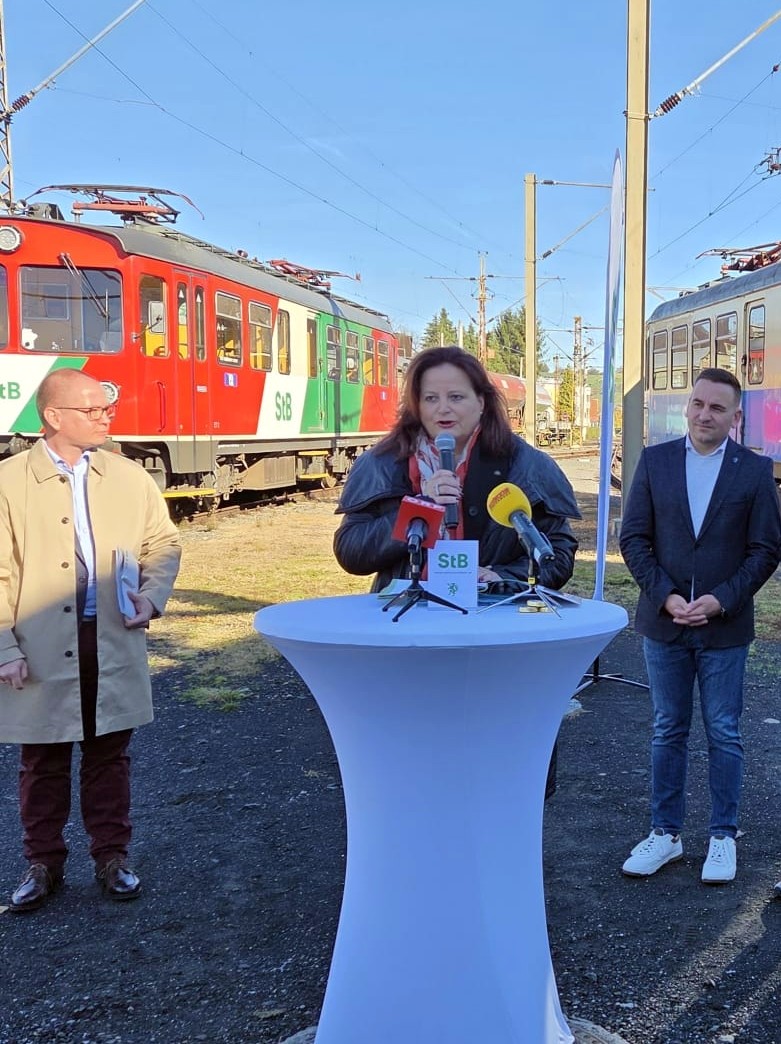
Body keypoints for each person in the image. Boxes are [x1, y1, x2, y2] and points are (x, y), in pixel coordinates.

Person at [333, 345, 581, 796]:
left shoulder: (526, 465)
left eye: (456, 397)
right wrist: (416, 509)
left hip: (497, 639)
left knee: (499, 774)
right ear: (415, 404)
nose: (442, 409)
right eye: (430, 398)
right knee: (418, 770)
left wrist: (503, 576)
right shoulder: (382, 463)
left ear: (482, 401)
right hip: (410, 637)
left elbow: (558, 554)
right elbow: (351, 552)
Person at [0, 369, 181, 912]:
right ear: (53, 417)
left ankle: (112, 858)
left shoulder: (129, 476)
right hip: (38, 643)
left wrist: (152, 595)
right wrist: (5, 648)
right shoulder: (9, 482)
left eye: (107, 408)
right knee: (42, 759)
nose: (106, 417)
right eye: (93, 410)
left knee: (110, 756)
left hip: (111, 638)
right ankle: (43, 864)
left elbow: (162, 542)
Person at [619, 367, 781, 885]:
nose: (704, 414)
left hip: (723, 627)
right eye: (698, 403)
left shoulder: (754, 471)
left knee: (724, 732)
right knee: (668, 728)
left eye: (717, 407)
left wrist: (720, 601)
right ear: (687, 406)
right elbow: (633, 538)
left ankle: (722, 837)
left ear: (736, 417)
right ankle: (665, 833)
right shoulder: (656, 461)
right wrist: (666, 595)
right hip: (664, 623)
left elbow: (765, 550)